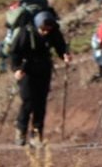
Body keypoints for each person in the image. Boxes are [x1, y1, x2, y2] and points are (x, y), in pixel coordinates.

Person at [8, 10, 70, 146]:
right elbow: (14, 52)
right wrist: (16, 69)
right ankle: (21, 130)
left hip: (43, 69)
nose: (45, 32)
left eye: (48, 30)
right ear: (37, 25)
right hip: (26, 70)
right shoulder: (26, 32)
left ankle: (37, 135)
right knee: (28, 100)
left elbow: (60, 45)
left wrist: (64, 54)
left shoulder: (53, 31)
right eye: (43, 29)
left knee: (41, 102)